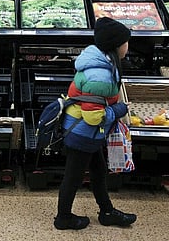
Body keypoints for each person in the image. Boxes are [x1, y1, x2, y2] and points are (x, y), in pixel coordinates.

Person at [53, 17, 137, 230]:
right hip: (84, 131)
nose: (128, 46)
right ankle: (63, 218)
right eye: (126, 42)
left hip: (87, 132)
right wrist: (118, 110)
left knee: (98, 171)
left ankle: (107, 211)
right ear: (115, 45)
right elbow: (93, 116)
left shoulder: (100, 62)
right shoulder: (100, 75)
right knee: (73, 176)